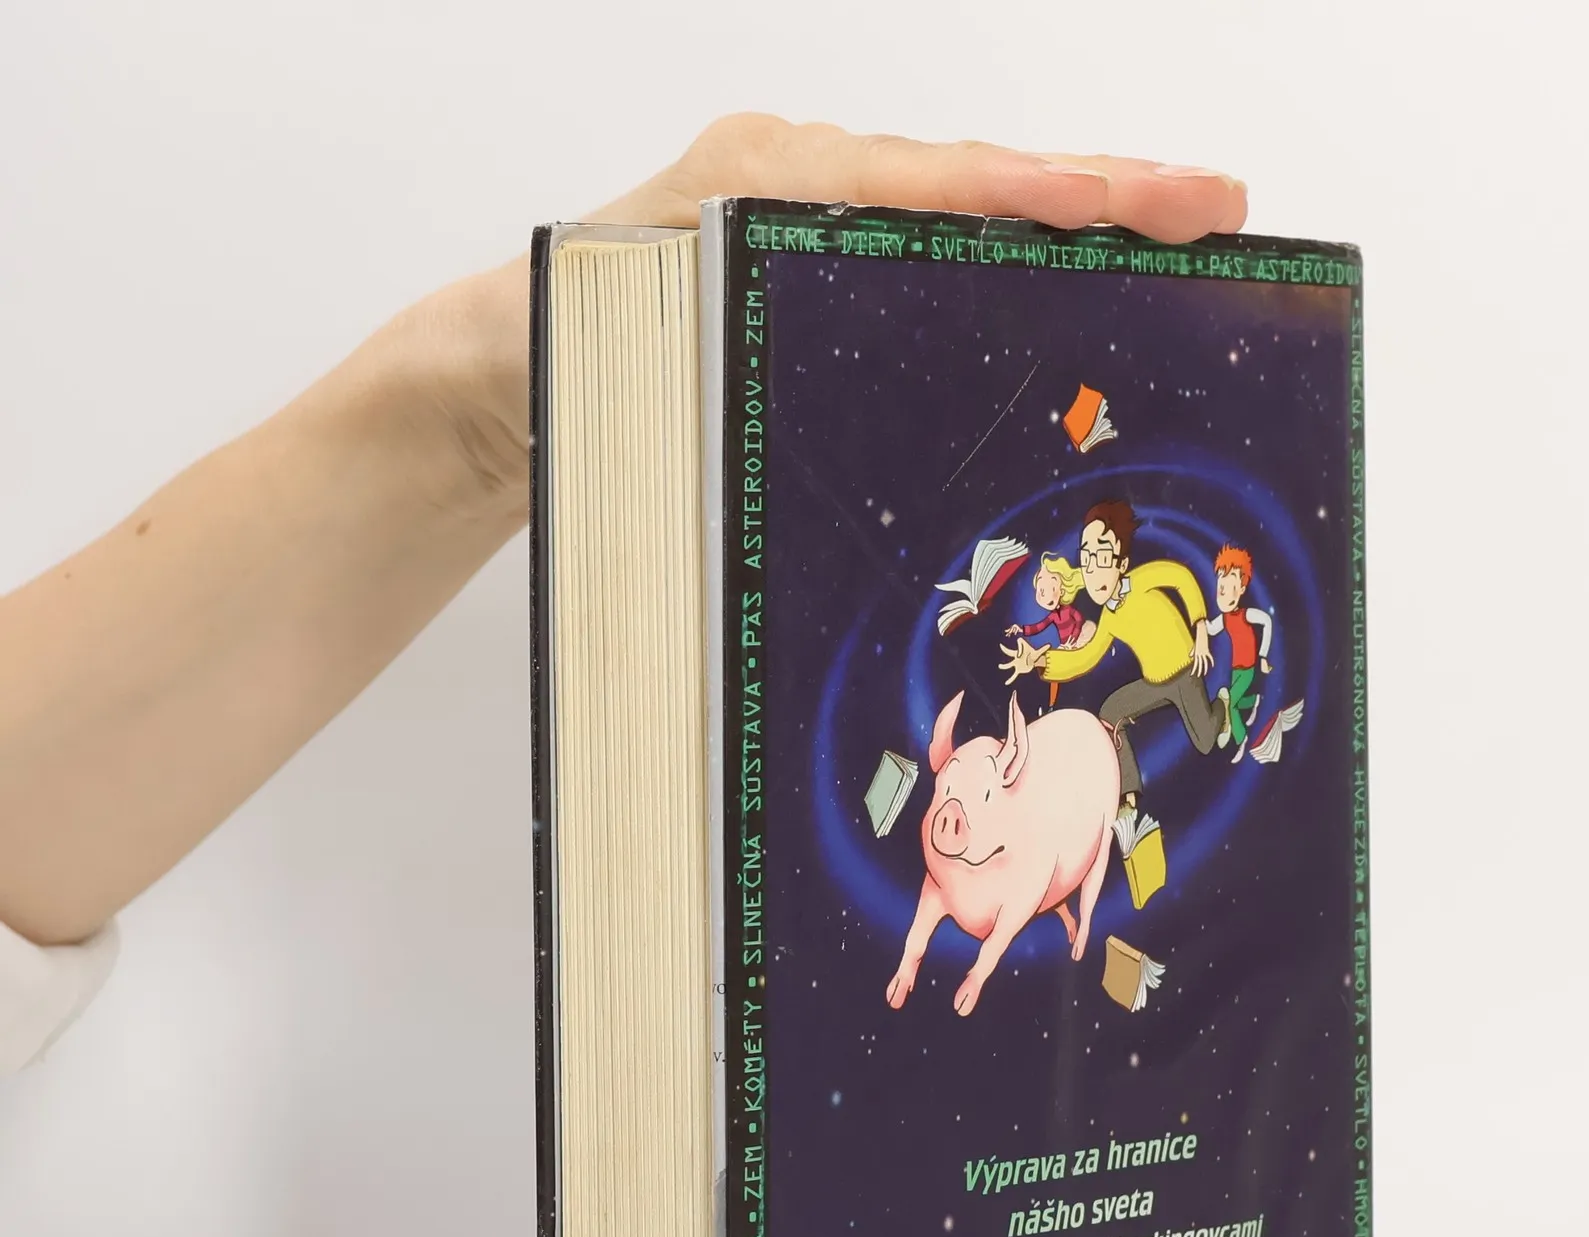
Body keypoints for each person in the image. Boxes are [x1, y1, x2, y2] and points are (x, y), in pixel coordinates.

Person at [0, 116, 1247, 1075]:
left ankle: (1204, 723)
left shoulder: (1131, 609)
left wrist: (462, 425)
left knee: (1151, 724)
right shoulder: (1048, 632)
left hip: (1118, 700)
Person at [1002, 497, 1227, 812]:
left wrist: (1200, 630)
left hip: (1187, 671)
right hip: (1154, 682)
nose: (1093, 569)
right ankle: (1128, 792)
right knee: (1111, 710)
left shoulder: (1140, 580)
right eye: (1087, 558)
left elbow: (1181, 578)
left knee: (1204, 741)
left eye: (1103, 557)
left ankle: (1221, 707)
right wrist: (1038, 659)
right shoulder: (1108, 618)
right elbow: (1086, 656)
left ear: (1121, 563)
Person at [1204, 543, 1274, 762]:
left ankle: (1241, 739)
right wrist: (1198, 624)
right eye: (1221, 586)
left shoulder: (1245, 614)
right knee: (1239, 699)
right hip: (1236, 668)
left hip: (1248, 668)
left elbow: (1267, 621)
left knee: (1231, 703)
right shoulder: (1224, 619)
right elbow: (1211, 629)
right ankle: (1254, 701)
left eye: (1231, 585)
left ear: (1242, 589)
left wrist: (1262, 656)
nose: (1224, 591)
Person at [1003, 551, 1092, 705]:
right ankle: (1052, 704)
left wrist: (1075, 636)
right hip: (1066, 647)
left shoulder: (1068, 610)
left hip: (1078, 640)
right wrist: (1021, 629)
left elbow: (1079, 620)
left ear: (1062, 590)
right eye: (1040, 590)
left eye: (1049, 585)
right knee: (1054, 673)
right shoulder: (1053, 616)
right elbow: (1038, 627)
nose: (1042, 593)